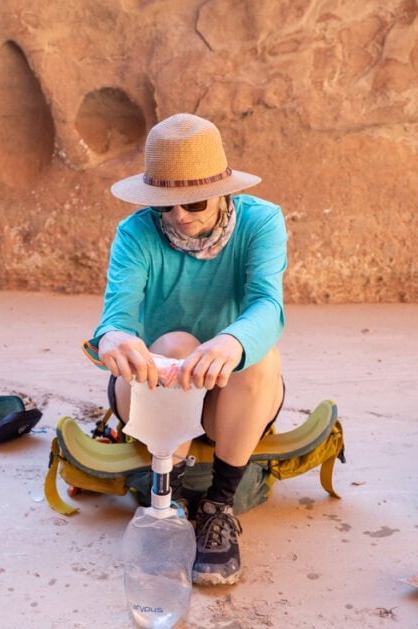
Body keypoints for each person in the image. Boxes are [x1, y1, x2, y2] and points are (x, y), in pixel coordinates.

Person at [86, 113, 287, 586]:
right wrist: (112, 337)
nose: (180, 216)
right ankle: (167, 501)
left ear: (224, 190)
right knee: (175, 343)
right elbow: (117, 315)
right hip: (156, 395)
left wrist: (232, 341)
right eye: (165, 204)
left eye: (194, 201)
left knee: (260, 357)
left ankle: (218, 505)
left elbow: (267, 305)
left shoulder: (262, 222)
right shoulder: (135, 233)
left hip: (230, 398)